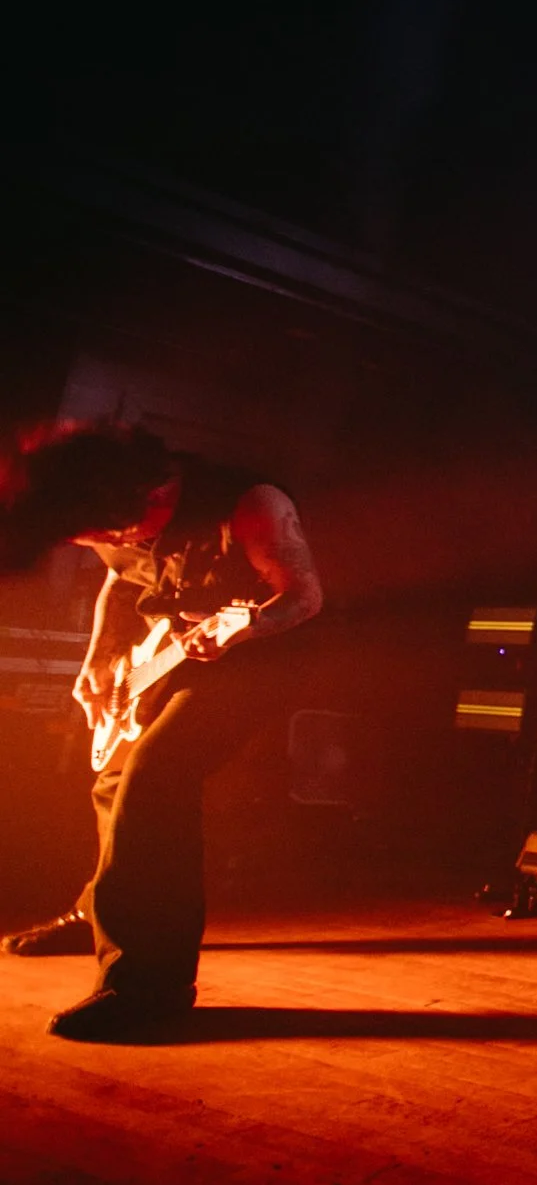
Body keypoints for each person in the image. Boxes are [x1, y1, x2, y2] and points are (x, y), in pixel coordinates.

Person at [0, 420, 323, 1040]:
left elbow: (304, 597)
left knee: (156, 778)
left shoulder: (251, 506)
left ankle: (150, 986)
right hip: (173, 649)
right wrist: (98, 660)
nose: (97, 540)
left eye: (104, 531)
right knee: (114, 781)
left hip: (264, 658)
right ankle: (99, 911)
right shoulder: (99, 514)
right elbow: (120, 578)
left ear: (146, 495)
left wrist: (244, 631)